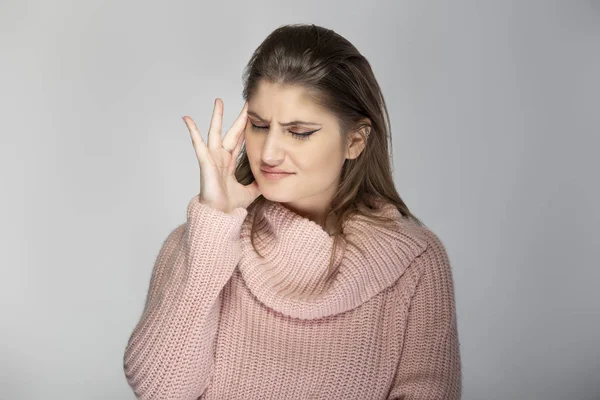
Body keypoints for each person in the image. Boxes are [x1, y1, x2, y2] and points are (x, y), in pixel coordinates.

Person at [123, 23, 462, 399]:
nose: (268, 153)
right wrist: (211, 232)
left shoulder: (413, 262)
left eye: (298, 132)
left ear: (354, 140)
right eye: (259, 125)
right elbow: (160, 391)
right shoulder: (204, 241)